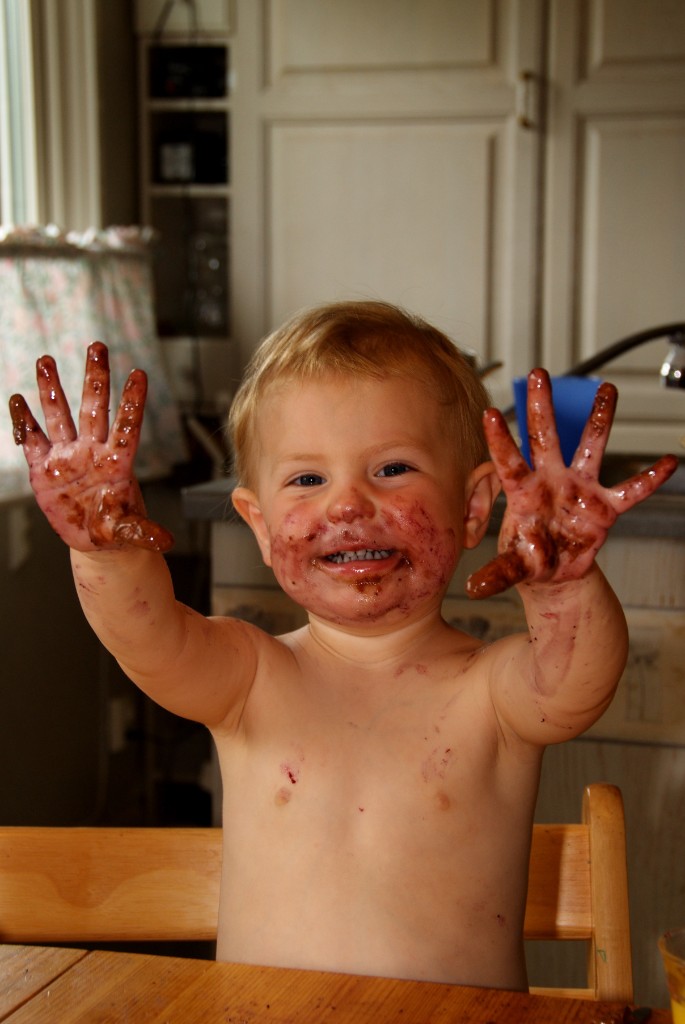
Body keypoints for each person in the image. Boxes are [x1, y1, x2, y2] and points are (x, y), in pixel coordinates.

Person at [8, 300, 676, 991]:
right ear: (259, 527)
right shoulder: (248, 679)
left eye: (391, 469)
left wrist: (563, 586)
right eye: (306, 479)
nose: (347, 504)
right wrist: (107, 553)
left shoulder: (493, 691)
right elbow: (147, 639)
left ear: (474, 507)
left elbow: (578, 685)